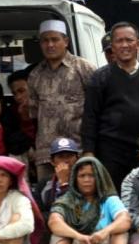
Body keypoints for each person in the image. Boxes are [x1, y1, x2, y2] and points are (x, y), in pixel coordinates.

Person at [81, 22, 139, 188]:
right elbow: (90, 117)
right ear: (113, 46)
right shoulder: (100, 78)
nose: (124, 45)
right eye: (119, 41)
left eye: (129, 40)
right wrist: (89, 152)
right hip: (110, 152)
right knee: (113, 201)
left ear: (138, 44)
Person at [26, 19, 96, 182]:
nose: (50, 45)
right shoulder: (35, 75)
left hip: (79, 151)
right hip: (46, 155)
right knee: (48, 198)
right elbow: (34, 116)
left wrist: (90, 148)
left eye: (55, 39)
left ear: (66, 41)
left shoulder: (84, 68)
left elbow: (97, 110)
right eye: (45, 40)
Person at [45, 157, 131, 244]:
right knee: (59, 233)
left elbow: (125, 220)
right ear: (75, 178)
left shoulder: (109, 199)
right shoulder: (67, 200)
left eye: (92, 175)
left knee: (120, 231)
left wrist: (104, 232)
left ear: (99, 177)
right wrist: (78, 236)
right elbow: (54, 222)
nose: (87, 180)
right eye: (82, 176)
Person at [36, 138, 82, 213]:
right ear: (52, 161)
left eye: (69, 156)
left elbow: (77, 210)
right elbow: (39, 213)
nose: (66, 160)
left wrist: (64, 183)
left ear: (77, 159)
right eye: (60, 156)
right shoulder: (44, 183)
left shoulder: (84, 180)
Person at [5, 68, 36, 159]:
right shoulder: (12, 112)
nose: (18, 97)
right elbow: (12, 144)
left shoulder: (46, 107)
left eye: (21, 91)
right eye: (14, 93)